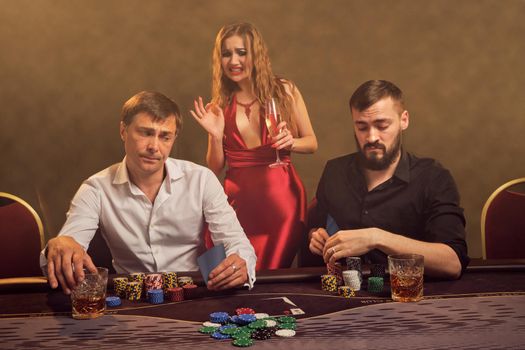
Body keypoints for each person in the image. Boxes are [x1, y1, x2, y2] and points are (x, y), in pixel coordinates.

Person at [40, 91, 257, 295]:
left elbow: (237, 242)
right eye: (146, 133)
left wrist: (241, 262)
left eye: (165, 137)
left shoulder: (202, 179)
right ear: (123, 131)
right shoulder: (95, 188)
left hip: (193, 292)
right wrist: (60, 245)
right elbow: (68, 247)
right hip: (129, 300)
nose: (154, 146)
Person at [308, 80, 469, 279]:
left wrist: (376, 238)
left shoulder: (434, 178)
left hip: (410, 298)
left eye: (382, 125)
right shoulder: (335, 171)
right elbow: (316, 227)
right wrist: (315, 236)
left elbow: (452, 263)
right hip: (343, 295)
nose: (371, 137)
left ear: (404, 120)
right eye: (362, 127)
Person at [191, 22, 318, 270]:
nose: (233, 60)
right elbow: (215, 166)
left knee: (265, 278)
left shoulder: (284, 91)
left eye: (241, 52)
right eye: (226, 54)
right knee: (231, 272)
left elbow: (312, 142)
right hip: (236, 206)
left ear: (255, 54)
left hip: (281, 203)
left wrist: (291, 142)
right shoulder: (220, 104)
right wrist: (216, 136)